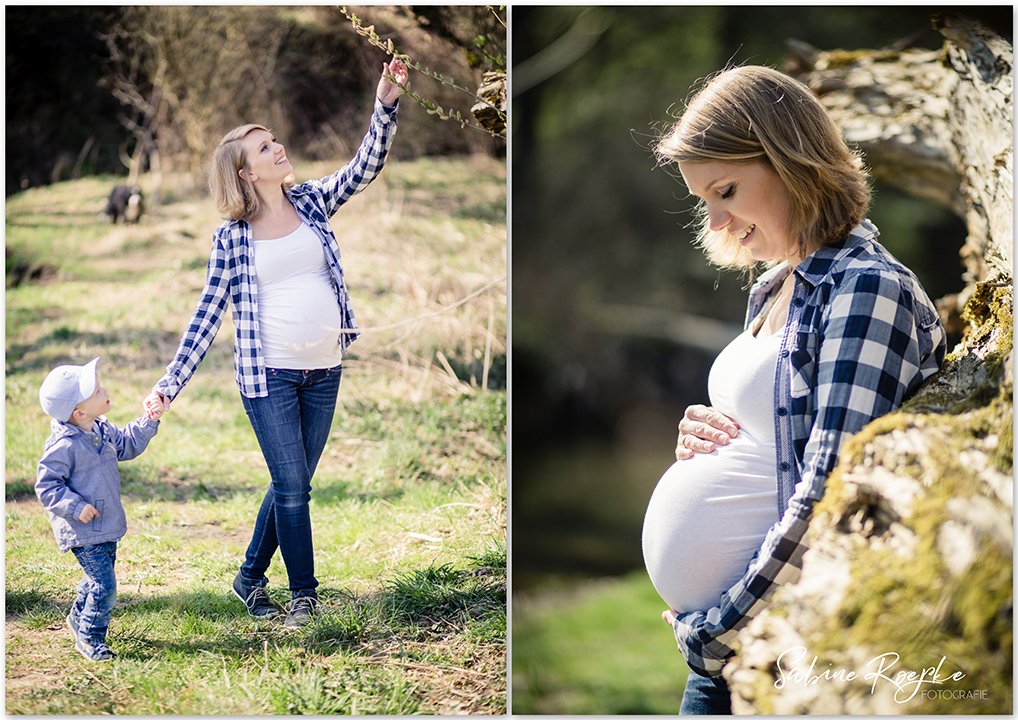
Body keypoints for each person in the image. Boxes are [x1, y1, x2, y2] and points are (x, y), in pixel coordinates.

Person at [642, 65, 946, 714]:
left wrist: (718, 629)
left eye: (726, 190)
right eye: (705, 201)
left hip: (786, 646)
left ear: (792, 161)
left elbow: (831, 491)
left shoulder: (865, 289)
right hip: (742, 646)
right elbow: (774, 432)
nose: (718, 222)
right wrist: (704, 430)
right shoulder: (778, 284)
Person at [144, 59, 408, 630]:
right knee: (292, 487)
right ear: (244, 173)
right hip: (270, 380)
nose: (278, 148)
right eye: (264, 148)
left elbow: (364, 168)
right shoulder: (232, 238)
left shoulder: (311, 201)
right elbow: (207, 314)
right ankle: (305, 596)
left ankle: (247, 578)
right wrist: (169, 385)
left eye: (273, 141)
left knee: (293, 483)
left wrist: (383, 104)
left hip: (325, 370)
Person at [36, 357, 165, 661]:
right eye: (95, 391)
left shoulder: (101, 430)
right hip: (82, 529)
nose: (103, 389)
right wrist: (75, 506)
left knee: (95, 578)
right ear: (78, 413)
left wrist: (149, 420)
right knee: (105, 586)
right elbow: (47, 486)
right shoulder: (64, 446)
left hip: (106, 523)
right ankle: (90, 638)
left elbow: (128, 445)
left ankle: (78, 617)